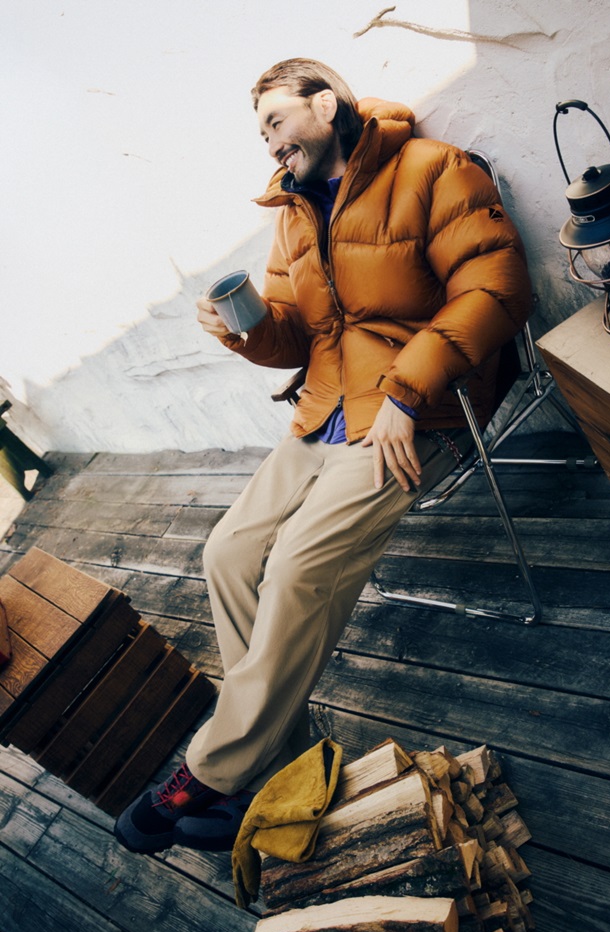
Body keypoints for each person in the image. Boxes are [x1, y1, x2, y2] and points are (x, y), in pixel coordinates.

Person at [115, 58, 532, 854]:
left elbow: (498, 286)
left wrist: (407, 393)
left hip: (416, 411)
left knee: (299, 567)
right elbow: (295, 339)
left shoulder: (431, 168)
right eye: (262, 133)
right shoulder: (293, 213)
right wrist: (243, 332)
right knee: (228, 555)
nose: (271, 143)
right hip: (324, 414)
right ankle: (286, 763)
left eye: (276, 122)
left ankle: (208, 772)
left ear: (327, 104)